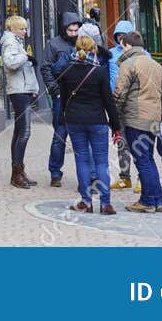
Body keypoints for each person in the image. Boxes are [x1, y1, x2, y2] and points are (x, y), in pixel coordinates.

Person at [58, 33, 122, 214]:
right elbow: (108, 101)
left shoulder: (67, 71)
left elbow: (63, 100)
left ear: (76, 50)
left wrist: (61, 120)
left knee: (82, 160)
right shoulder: (100, 72)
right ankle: (105, 203)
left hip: (75, 121)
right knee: (102, 162)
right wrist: (116, 126)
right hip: (98, 121)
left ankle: (86, 201)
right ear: (94, 50)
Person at [114, 31, 162, 212]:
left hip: (135, 118)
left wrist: (115, 118)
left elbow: (119, 93)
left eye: (123, 45)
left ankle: (148, 201)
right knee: (148, 158)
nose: (121, 48)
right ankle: (156, 200)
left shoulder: (128, 64)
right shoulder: (154, 64)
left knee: (141, 160)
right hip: (153, 118)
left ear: (128, 45)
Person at [40, 11, 83, 188]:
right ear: (64, 29)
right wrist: (55, 90)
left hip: (80, 96)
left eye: (76, 30)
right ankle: (55, 173)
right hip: (61, 96)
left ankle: (89, 174)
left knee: (81, 136)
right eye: (71, 30)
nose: (74, 33)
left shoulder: (82, 42)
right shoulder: (53, 44)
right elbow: (46, 68)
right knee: (60, 135)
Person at [0, 15, 39, 189]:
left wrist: (33, 88)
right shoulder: (10, 42)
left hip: (23, 89)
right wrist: (26, 58)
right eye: (21, 28)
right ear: (12, 29)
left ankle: (19, 171)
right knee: (24, 132)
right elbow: (10, 63)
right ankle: (17, 174)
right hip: (18, 91)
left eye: (24, 28)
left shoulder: (16, 42)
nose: (24, 31)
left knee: (19, 131)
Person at [109, 19, 136, 190]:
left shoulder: (142, 55)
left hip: (135, 103)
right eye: (118, 36)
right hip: (116, 102)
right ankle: (125, 176)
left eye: (124, 36)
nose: (121, 39)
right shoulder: (111, 54)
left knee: (138, 141)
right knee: (121, 141)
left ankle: (142, 176)